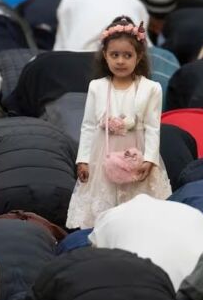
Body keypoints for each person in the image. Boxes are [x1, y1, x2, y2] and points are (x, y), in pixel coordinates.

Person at [66, 16, 171, 229]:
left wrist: (150, 159)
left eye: (127, 55)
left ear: (139, 56)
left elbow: (153, 128)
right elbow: (88, 125)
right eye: (114, 55)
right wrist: (83, 159)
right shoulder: (97, 86)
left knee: (137, 201)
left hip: (136, 150)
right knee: (104, 200)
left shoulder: (151, 88)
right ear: (105, 56)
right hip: (102, 150)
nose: (120, 61)